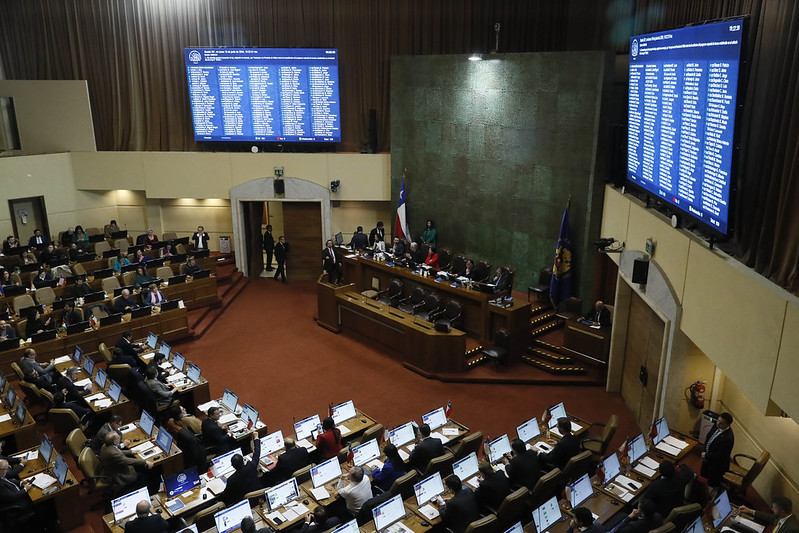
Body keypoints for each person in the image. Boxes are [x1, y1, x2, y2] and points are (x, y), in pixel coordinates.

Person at [220, 435, 262, 506]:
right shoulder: (251, 466)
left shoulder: (231, 479)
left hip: (243, 502)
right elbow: (257, 454)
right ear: (243, 461)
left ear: (232, 465)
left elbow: (226, 494)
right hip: (258, 496)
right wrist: (256, 438)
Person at [701, 412, 734, 486]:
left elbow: (719, 455)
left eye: (722, 423)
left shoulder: (728, 438)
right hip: (707, 458)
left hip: (716, 465)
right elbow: (708, 437)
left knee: (710, 484)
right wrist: (704, 451)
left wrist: (706, 455)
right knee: (701, 479)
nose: (718, 424)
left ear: (728, 425)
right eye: (718, 421)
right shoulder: (717, 425)